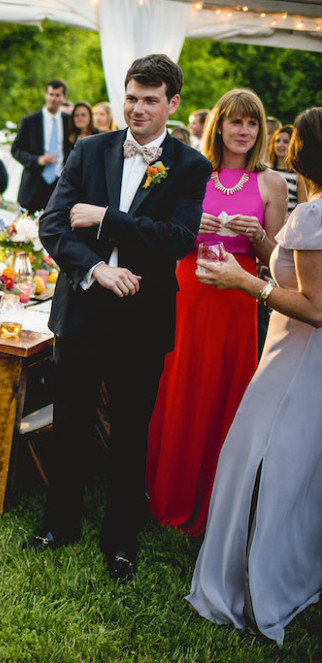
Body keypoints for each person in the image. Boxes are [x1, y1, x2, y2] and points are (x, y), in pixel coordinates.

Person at [27, 54, 212, 582]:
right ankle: (59, 524)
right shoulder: (90, 149)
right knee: (70, 425)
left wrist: (108, 218)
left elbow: (177, 240)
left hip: (141, 320)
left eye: (151, 100)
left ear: (172, 103)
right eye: (132, 97)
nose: (137, 108)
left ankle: (121, 540)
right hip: (82, 309)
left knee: (130, 433)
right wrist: (94, 271)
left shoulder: (190, 166)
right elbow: (53, 225)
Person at [188, 107, 322, 645]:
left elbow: (314, 306)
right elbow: (295, 270)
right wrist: (264, 248)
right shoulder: (312, 212)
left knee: (254, 461)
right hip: (303, 359)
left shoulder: (313, 214)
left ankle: (248, 587)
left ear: (301, 152)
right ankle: (293, 573)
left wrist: (246, 282)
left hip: (296, 359)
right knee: (298, 473)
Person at [146, 89, 287, 536]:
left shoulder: (273, 183)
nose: (244, 131)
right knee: (180, 382)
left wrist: (260, 236)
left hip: (237, 296)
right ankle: (162, 488)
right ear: (220, 125)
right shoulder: (192, 173)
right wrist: (190, 230)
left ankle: (213, 497)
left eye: (252, 124)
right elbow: (163, 236)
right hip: (190, 288)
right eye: (236, 122)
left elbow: (280, 262)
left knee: (224, 388)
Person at [12, 79, 71, 212]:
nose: (53, 99)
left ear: (63, 98)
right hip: (33, 184)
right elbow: (16, 150)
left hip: (59, 184)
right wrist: (37, 160)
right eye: (51, 94)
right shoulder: (30, 121)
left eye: (57, 95)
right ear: (45, 95)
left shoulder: (69, 121)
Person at [269, 124, 298, 213]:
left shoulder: (298, 175)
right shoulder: (265, 169)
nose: (280, 145)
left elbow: (301, 206)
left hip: (288, 223)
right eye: (277, 141)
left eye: (286, 142)